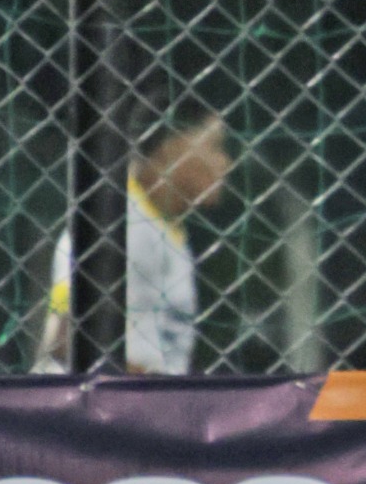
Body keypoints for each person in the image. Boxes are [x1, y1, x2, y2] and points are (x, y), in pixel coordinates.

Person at [40, 97, 229, 374]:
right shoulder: (119, 223)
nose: (225, 162)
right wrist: (145, 388)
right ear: (169, 147)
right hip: (100, 398)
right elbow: (63, 339)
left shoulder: (162, 224)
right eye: (214, 146)